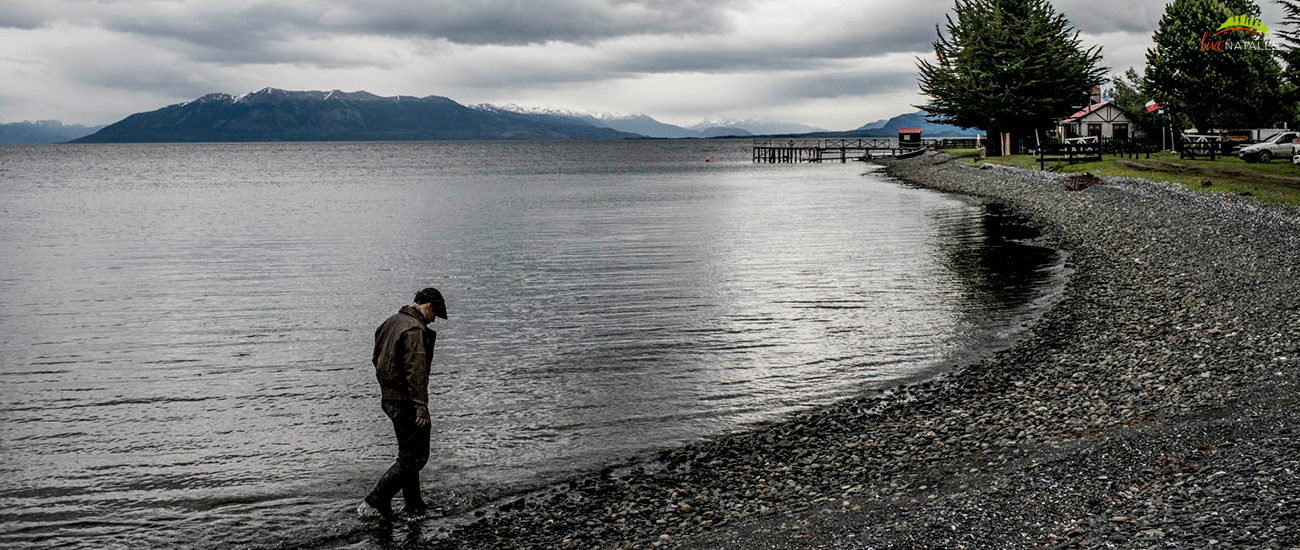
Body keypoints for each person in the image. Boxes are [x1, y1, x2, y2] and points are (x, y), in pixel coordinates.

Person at [359, 287, 447, 521]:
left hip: (389, 399)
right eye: (435, 314)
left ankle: (414, 506)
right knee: (415, 457)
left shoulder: (390, 322)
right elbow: (416, 373)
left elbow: (376, 358)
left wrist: (386, 389)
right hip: (407, 401)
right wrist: (421, 407)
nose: (434, 319)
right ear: (428, 306)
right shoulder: (415, 330)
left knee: (406, 454)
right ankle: (377, 498)